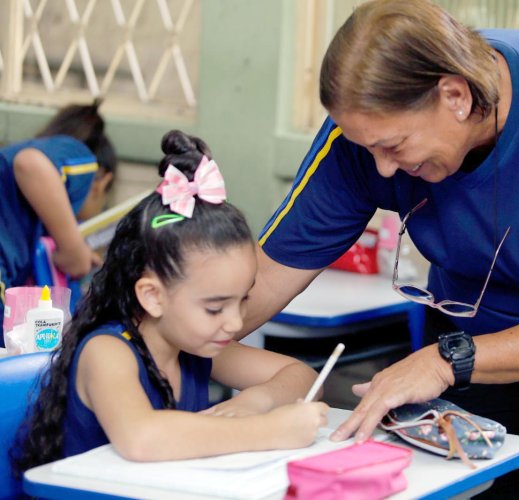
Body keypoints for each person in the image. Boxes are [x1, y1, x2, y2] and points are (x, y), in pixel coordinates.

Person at [235, 1, 519, 498]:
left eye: (394, 147)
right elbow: (266, 277)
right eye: (368, 149)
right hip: (472, 317)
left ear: (454, 95)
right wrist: (152, 344)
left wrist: (440, 362)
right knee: (466, 486)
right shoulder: (368, 130)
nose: (382, 170)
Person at [11, 130, 328, 477]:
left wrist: (258, 400)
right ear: (153, 297)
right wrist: (269, 431)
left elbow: (305, 377)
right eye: (215, 308)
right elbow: (142, 437)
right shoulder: (107, 352)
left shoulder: (196, 345)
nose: (236, 323)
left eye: (243, 301)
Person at [0, 100, 117, 344]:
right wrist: (73, 249)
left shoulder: (27, 211)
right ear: (102, 181)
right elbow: (30, 164)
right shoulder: (80, 155)